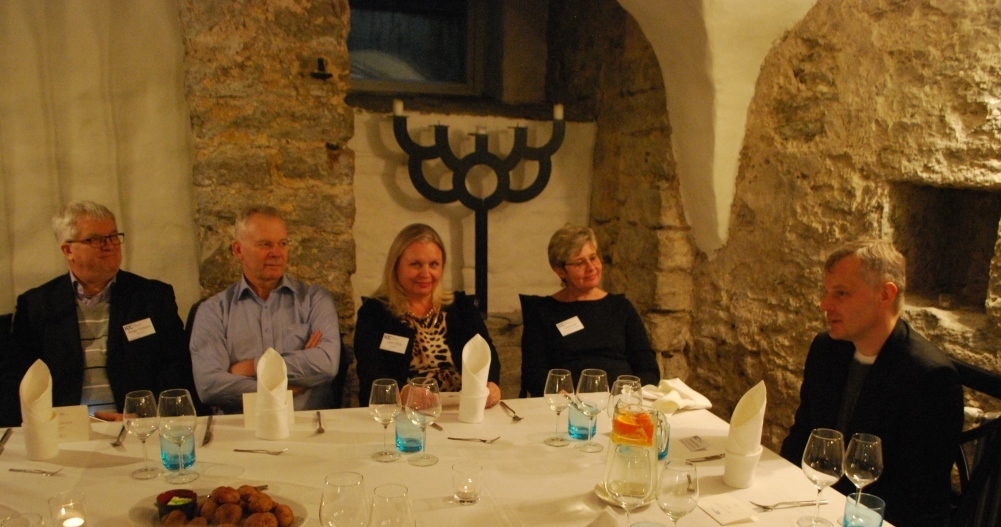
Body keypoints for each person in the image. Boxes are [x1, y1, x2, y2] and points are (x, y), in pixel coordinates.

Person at [780, 239, 963, 527]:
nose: (825, 305)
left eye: (841, 293)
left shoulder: (930, 377)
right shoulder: (828, 349)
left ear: (885, 295)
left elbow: (918, 497)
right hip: (817, 507)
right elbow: (801, 436)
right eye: (826, 292)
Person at [0, 201, 200, 426]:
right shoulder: (36, 306)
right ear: (68, 250)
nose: (110, 245)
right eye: (95, 239)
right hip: (64, 429)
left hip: (136, 424)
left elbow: (176, 368)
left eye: (113, 236)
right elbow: (22, 381)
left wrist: (144, 417)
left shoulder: (152, 297)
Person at [189, 205, 341, 413]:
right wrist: (287, 387)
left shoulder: (314, 300)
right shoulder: (214, 311)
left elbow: (326, 364)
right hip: (239, 428)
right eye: (265, 244)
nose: (276, 253)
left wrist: (251, 367)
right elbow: (209, 385)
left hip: (308, 425)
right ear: (238, 250)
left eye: (282, 244)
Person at [354, 223, 502, 407]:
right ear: (396, 266)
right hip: (404, 411)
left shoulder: (462, 307)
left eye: (433, 264)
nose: (425, 273)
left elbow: (488, 354)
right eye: (415, 264)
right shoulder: (374, 313)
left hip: (462, 409)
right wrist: (403, 393)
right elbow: (371, 374)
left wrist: (491, 384)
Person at [520, 224, 660, 397]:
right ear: (560, 270)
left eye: (593, 258)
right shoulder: (543, 312)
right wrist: (558, 394)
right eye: (580, 262)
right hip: (569, 403)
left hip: (621, 403)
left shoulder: (621, 307)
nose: (591, 267)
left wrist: (628, 395)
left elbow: (648, 367)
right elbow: (533, 372)